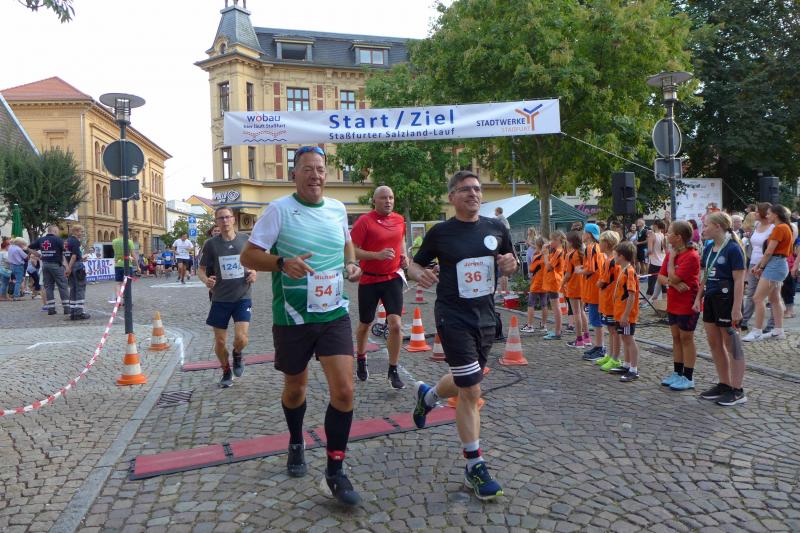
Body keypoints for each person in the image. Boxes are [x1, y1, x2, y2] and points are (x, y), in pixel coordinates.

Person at [239, 145, 363, 506]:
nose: (315, 175)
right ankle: (296, 439)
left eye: (320, 169)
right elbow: (248, 255)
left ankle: (334, 472)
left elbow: (347, 245)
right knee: (295, 389)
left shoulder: (337, 209)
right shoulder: (278, 210)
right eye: (307, 169)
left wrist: (351, 264)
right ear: (294, 175)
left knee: (345, 392)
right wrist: (281, 263)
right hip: (292, 317)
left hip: (333, 313)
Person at [408, 170, 516, 501]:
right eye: (465, 189)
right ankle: (474, 466)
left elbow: (509, 260)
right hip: (452, 316)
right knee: (471, 388)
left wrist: (510, 265)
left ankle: (428, 397)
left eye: (477, 189)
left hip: (485, 317)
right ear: (452, 196)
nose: (473, 193)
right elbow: (413, 264)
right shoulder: (440, 232)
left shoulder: (496, 228)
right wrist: (420, 274)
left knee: (464, 378)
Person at [350, 185, 408, 389]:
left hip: (392, 278)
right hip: (369, 279)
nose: (388, 201)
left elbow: (400, 240)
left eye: (391, 197)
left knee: (396, 325)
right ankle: (361, 357)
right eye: (383, 198)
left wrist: (404, 256)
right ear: (374, 200)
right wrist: (377, 255)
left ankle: (393, 369)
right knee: (365, 324)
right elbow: (351, 251)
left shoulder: (399, 219)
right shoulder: (364, 221)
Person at [198, 207, 256, 388]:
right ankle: (225, 371)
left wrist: (254, 272)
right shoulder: (211, 244)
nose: (224, 221)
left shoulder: (245, 240)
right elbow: (200, 270)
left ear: (233, 220)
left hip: (242, 296)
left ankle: (237, 353)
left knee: (242, 338)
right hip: (220, 298)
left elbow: (255, 261)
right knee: (220, 341)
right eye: (221, 218)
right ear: (216, 221)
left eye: (227, 217)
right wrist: (206, 280)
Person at [694, 212, 747, 406]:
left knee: (733, 345)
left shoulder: (733, 248)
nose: (704, 229)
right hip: (711, 299)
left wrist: (736, 308)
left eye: (706, 225)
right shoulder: (709, 248)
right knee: (714, 343)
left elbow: (739, 280)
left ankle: (738, 390)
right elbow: (706, 275)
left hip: (728, 301)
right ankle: (724, 384)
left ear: (718, 227)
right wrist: (698, 298)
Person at [657, 221, 701, 391]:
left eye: (669, 233)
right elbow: (661, 277)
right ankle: (677, 372)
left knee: (686, 338)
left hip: (687, 302)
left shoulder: (691, 256)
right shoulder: (671, 253)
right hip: (673, 301)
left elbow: (673, 277)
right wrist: (674, 284)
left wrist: (671, 266)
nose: (667, 235)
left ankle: (688, 377)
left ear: (678, 237)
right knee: (676, 337)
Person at [743, 204, 793, 341]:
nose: (767, 216)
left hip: (775, 265)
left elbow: (769, 251)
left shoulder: (779, 228)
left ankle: (757, 331)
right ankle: (778, 330)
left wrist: (760, 266)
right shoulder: (784, 227)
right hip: (778, 264)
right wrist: (759, 265)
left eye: (769, 213)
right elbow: (769, 252)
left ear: (776, 215)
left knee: (758, 298)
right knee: (774, 299)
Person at [609, 241, 641, 381]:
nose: (614, 257)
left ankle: (634, 369)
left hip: (626, 315)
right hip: (620, 312)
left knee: (629, 339)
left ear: (621, 256)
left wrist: (626, 315)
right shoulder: (623, 269)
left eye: (615, 255)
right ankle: (627, 364)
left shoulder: (629, 271)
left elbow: (631, 295)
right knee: (624, 337)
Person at [577, 223, 606, 357]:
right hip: (596, 287)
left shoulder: (590, 248)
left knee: (595, 320)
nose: (582, 235)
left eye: (584, 232)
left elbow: (591, 269)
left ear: (588, 234)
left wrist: (579, 270)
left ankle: (600, 348)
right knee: (596, 319)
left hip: (593, 288)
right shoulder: (598, 247)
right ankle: (598, 346)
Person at [593, 231, 621, 367]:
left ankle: (615, 358)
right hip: (607, 300)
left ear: (607, 243)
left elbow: (603, 281)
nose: (599, 244)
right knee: (610, 330)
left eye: (601, 241)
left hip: (610, 300)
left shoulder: (611, 261)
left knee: (613, 331)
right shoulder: (609, 259)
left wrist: (598, 283)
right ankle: (610, 355)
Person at [29, 225, 70, 315]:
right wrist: (67, 266)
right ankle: (67, 308)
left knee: (48, 287)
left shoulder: (41, 239)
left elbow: (29, 247)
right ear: (54, 231)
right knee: (62, 286)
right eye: (57, 231)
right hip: (56, 265)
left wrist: (39, 255)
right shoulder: (58, 240)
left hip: (45, 265)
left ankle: (51, 309)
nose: (58, 233)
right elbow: (64, 252)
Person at [563, 232, 587, 347]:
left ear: (571, 242)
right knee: (582, 312)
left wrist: (562, 284)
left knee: (576, 313)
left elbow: (568, 274)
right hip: (583, 286)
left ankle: (579, 340)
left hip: (573, 286)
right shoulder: (583, 253)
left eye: (567, 241)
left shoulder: (570, 255)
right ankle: (587, 337)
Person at [541, 231, 566, 340]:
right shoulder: (557, 251)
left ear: (557, 240)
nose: (550, 242)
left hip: (554, 282)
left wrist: (545, 255)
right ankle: (557, 330)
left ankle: (557, 331)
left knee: (556, 307)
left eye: (552, 240)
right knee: (556, 306)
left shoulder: (558, 252)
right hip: (553, 281)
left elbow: (549, 266)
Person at [64, 225, 90, 320]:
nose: (82, 233)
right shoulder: (75, 241)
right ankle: (79, 312)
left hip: (70, 266)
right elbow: (74, 256)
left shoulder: (66, 241)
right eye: (81, 231)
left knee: (73, 289)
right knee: (80, 289)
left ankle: (73, 311)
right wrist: (70, 267)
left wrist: (67, 267)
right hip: (77, 267)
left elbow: (64, 256)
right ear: (76, 231)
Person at [521, 237, 545, 333]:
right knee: (544, 304)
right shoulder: (547, 256)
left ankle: (530, 325)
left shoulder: (537, 256)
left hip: (536, 282)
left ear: (537, 245)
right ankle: (544, 325)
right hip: (545, 282)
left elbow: (531, 269)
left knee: (531, 304)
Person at [646, 220, 667, 301]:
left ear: (655, 225)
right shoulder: (663, 235)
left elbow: (650, 250)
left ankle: (646, 300)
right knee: (663, 283)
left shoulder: (652, 235)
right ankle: (664, 301)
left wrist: (646, 254)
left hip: (654, 261)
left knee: (651, 282)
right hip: (663, 261)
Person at [494, 207, 511, 295]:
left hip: (503, 241)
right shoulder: (504, 219)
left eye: (495, 211)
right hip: (506, 242)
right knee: (504, 273)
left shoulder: (499, 217)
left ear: (498, 211)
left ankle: (503, 291)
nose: (494, 213)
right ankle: (505, 291)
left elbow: (493, 222)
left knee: (501, 272)